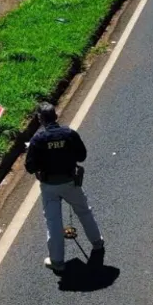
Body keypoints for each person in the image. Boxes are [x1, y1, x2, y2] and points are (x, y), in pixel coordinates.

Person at [24, 102, 105, 275]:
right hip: (70, 182)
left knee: (53, 222)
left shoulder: (38, 140)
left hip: (49, 186)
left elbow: (30, 167)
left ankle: (57, 261)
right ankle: (97, 243)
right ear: (56, 116)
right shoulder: (69, 134)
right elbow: (82, 156)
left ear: (40, 119)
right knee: (84, 211)